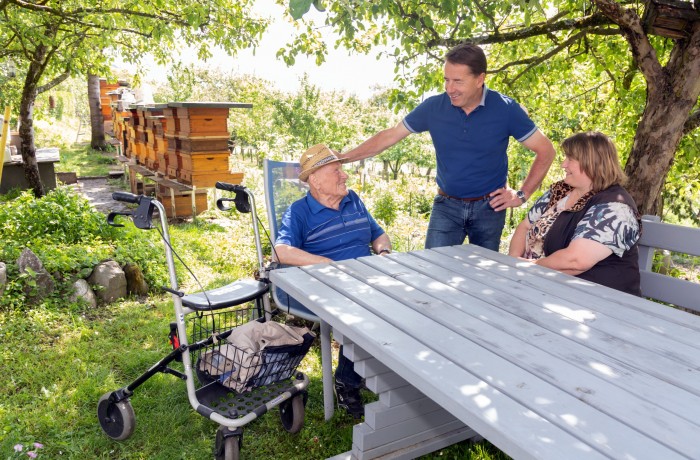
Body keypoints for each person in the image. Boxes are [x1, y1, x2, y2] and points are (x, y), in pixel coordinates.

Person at [339, 43, 556, 252]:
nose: (450, 88)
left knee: (484, 278)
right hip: (446, 206)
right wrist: (344, 158)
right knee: (432, 272)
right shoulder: (434, 107)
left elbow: (546, 151)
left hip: (490, 209)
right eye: (446, 80)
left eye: (458, 81)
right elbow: (390, 136)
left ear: (480, 79)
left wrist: (521, 194)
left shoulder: (506, 109)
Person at [273, 143, 392, 418]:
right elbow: (282, 250)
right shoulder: (299, 211)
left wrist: (383, 251)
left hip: (367, 275)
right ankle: (347, 381)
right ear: (315, 180)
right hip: (329, 284)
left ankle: (380, 374)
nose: (345, 176)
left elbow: (378, 234)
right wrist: (329, 265)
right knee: (364, 309)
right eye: (336, 170)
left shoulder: (354, 200)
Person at [508, 131, 642, 295]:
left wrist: (529, 266)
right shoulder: (560, 191)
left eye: (570, 159)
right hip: (545, 288)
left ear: (592, 163)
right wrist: (513, 262)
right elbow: (524, 227)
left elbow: (576, 261)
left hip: (598, 301)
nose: (563, 165)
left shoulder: (615, 207)